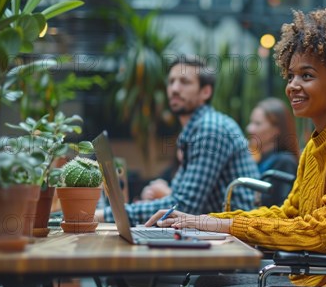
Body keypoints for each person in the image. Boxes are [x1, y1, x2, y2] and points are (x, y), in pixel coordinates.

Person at [145, 8, 326, 287]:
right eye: (291, 75)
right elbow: (288, 214)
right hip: (312, 276)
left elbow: (321, 232)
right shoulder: (318, 143)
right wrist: (204, 222)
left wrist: (222, 226)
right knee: (209, 282)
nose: (292, 85)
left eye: (306, 76)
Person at [95, 57, 259, 225]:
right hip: (212, 230)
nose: (174, 88)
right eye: (171, 81)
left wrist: (104, 215)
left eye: (185, 82)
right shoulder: (195, 129)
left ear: (206, 92)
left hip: (237, 238)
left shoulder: (211, 129)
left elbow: (184, 206)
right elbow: (179, 198)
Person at [247, 97, 299, 206]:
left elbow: (282, 208)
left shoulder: (285, 162)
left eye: (257, 124)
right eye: (251, 122)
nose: (250, 129)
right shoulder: (260, 159)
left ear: (276, 130)